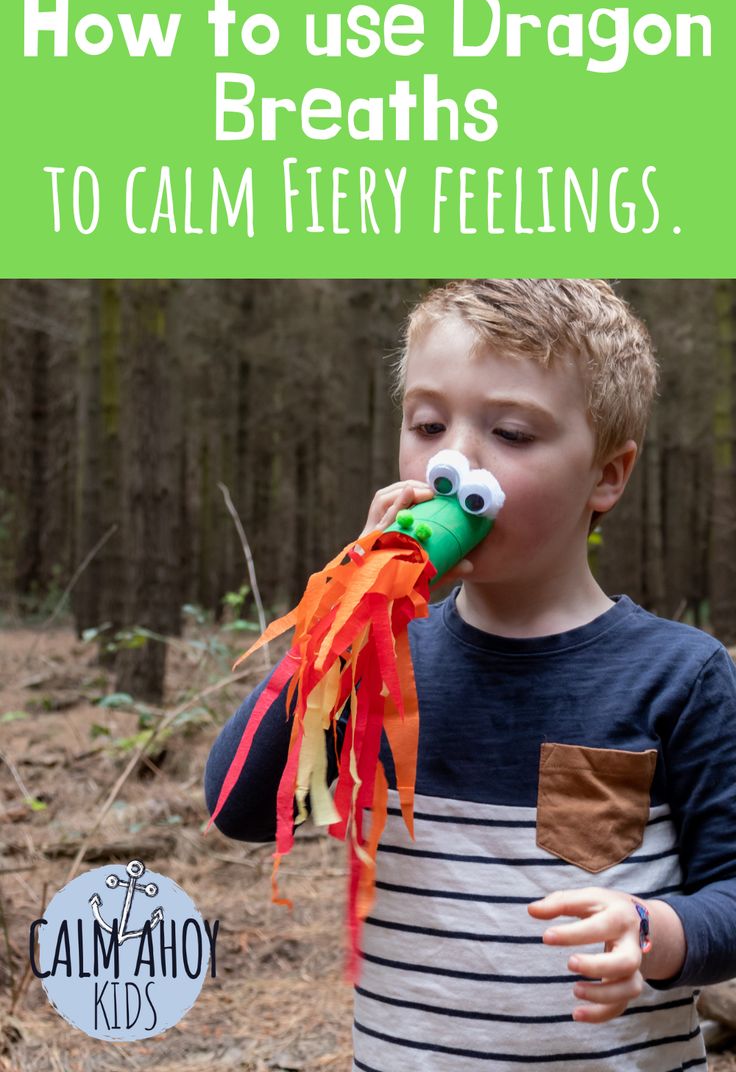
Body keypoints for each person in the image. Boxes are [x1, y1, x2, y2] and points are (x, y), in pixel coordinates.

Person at [205, 279, 736, 1072]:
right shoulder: (379, 653)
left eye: (513, 433)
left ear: (607, 476)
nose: (452, 460)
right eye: (427, 424)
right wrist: (342, 621)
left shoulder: (679, 676)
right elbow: (239, 804)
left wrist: (655, 935)